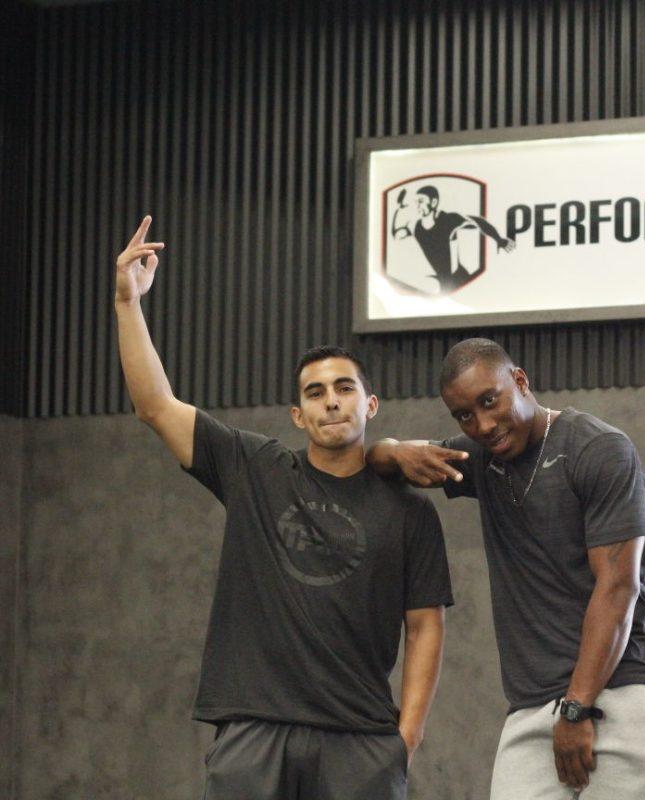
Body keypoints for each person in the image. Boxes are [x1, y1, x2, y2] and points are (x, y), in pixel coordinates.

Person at [114, 216, 453, 800]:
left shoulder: (410, 513)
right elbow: (155, 406)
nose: (331, 402)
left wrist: (407, 737)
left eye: (344, 388)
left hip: (361, 741)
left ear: (369, 403)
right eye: (315, 393)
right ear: (299, 416)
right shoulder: (256, 468)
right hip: (254, 733)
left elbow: (425, 627)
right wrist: (127, 303)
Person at [368, 338, 645, 800]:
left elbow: (618, 590)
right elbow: (377, 459)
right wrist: (396, 450)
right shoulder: (482, 460)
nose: (481, 425)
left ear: (519, 381)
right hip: (535, 705)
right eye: (463, 416)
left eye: (489, 401)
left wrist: (577, 709)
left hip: (623, 688)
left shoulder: (598, 450)